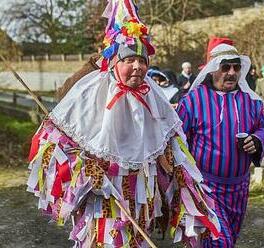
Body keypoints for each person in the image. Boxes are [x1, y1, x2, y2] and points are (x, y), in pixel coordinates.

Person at [26, 1, 220, 247]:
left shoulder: (154, 95)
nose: (138, 66)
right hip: (103, 199)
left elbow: (174, 148)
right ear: (115, 62)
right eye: (130, 60)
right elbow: (53, 146)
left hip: (141, 200)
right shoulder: (91, 92)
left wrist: (176, 175)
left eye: (143, 60)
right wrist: (85, 170)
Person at [176, 37, 264, 247]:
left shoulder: (251, 101)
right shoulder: (192, 101)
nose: (231, 72)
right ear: (212, 69)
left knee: (230, 239)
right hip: (206, 187)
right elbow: (176, 141)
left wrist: (257, 140)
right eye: (225, 67)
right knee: (221, 241)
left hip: (240, 188)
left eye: (236, 67)